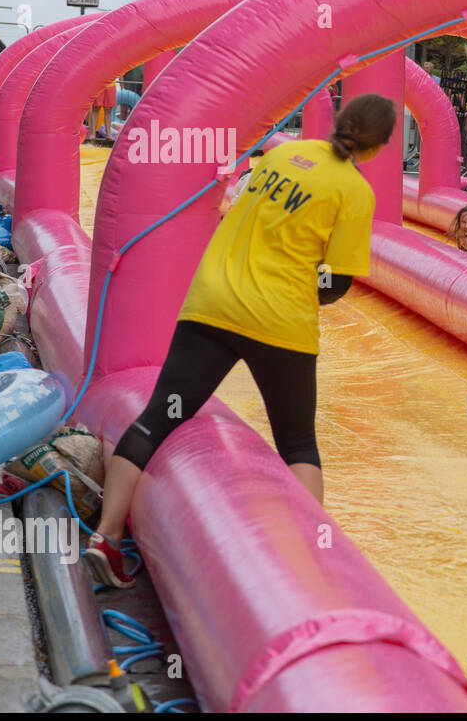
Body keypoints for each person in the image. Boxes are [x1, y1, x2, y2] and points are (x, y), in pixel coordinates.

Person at [83, 95, 397, 588]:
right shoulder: (353, 192)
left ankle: (106, 534)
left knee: (155, 419)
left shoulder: (278, 155)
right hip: (280, 322)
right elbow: (334, 284)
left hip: (211, 304)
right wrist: (300, 279)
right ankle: (307, 570)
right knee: (297, 444)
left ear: (340, 122)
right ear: (380, 146)